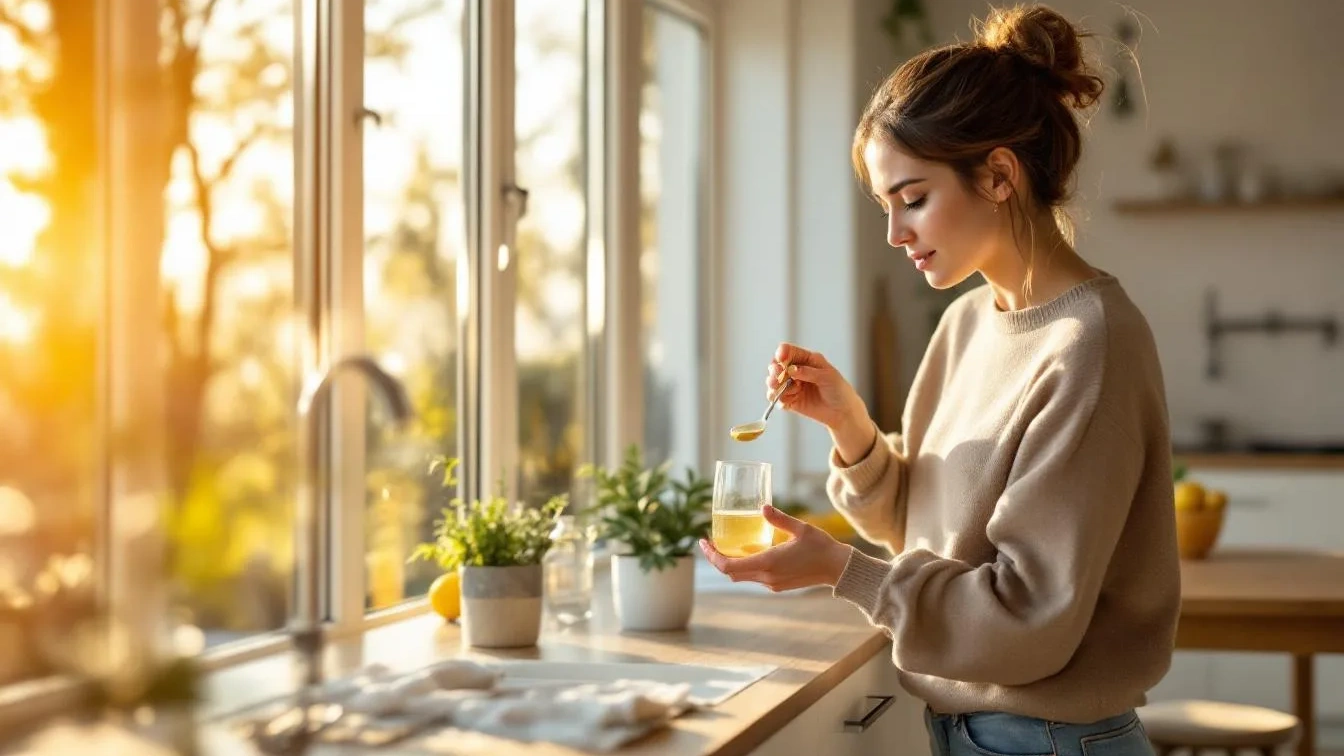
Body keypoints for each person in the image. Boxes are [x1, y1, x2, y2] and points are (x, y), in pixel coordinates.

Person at [699, 5, 1180, 755]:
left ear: (998, 174)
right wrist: (851, 428)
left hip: (1050, 742)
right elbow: (927, 533)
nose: (896, 234)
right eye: (886, 207)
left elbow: (1028, 621)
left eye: (913, 199)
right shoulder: (965, 324)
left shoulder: (1092, 345)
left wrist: (842, 572)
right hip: (968, 732)